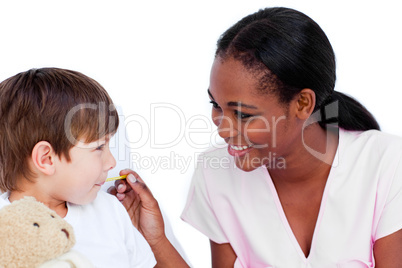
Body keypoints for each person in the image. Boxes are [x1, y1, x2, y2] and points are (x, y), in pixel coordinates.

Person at [113, 7, 402, 268]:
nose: (222, 129)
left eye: (243, 114)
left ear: (302, 104)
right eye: (216, 105)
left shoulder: (387, 165)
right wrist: (156, 240)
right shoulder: (216, 174)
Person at [0, 68, 156, 267]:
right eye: (99, 147)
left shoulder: (111, 212)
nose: (112, 163)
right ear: (47, 159)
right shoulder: (4, 228)